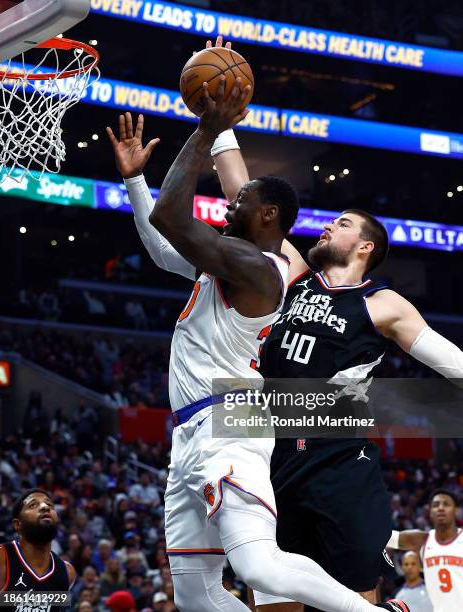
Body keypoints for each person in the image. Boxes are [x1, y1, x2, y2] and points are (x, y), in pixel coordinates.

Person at [107, 60, 407, 612]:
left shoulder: (259, 268)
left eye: (240, 203)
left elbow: (174, 217)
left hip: (231, 423)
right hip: (192, 433)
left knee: (256, 564)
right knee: (196, 595)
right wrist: (134, 182)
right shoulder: (220, 263)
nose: (229, 202)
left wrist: (208, 128)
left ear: (266, 215)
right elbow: (160, 243)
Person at [209, 35, 463, 611]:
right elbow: (243, 197)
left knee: (355, 599)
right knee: (272, 598)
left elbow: (452, 363)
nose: (328, 227)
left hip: (337, 457)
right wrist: (221, 124)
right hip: (269, 450)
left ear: (367, 246)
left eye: (342, 224)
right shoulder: (295, 271)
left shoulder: (385, 303)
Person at [0, 489, 76, 610]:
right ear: (17, 524)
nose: (45, 507)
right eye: (33, 505)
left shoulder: (67, 572)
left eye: (49, 505)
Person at [387, 488, 463, 611]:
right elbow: (387, 538)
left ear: (456, 511)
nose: (441, 508)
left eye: (446, 504)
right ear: (430, 512)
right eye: (436, 505)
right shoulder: (422, 540)